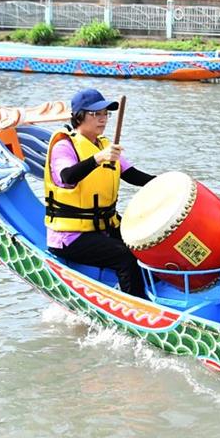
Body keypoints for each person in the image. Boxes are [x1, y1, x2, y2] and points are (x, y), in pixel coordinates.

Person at [44, 88, 155, 298]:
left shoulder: (105, 145)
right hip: (70, 236)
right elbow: (67, 176)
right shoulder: (64, 145)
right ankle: (137, 308)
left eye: (106, 113)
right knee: (125, 257)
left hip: (104, 225)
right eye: (96, 114)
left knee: (145, 241)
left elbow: (133, 175)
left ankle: (161, 289)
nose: (103, 119)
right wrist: (98, 158)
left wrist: (170, 181)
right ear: (79, 116)